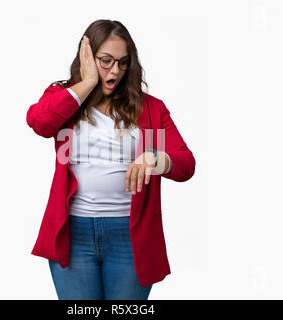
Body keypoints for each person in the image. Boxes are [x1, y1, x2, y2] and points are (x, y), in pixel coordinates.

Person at [26, 19, 196, 300]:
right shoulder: (65, 99)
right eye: (105, 61)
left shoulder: (150, 109)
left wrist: (156, 158)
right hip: (73, 233)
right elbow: (39, 122)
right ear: (87, 58)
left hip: (130, 236)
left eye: (122, 62)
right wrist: (88, 81)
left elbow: (185, 164)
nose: (114, 71)